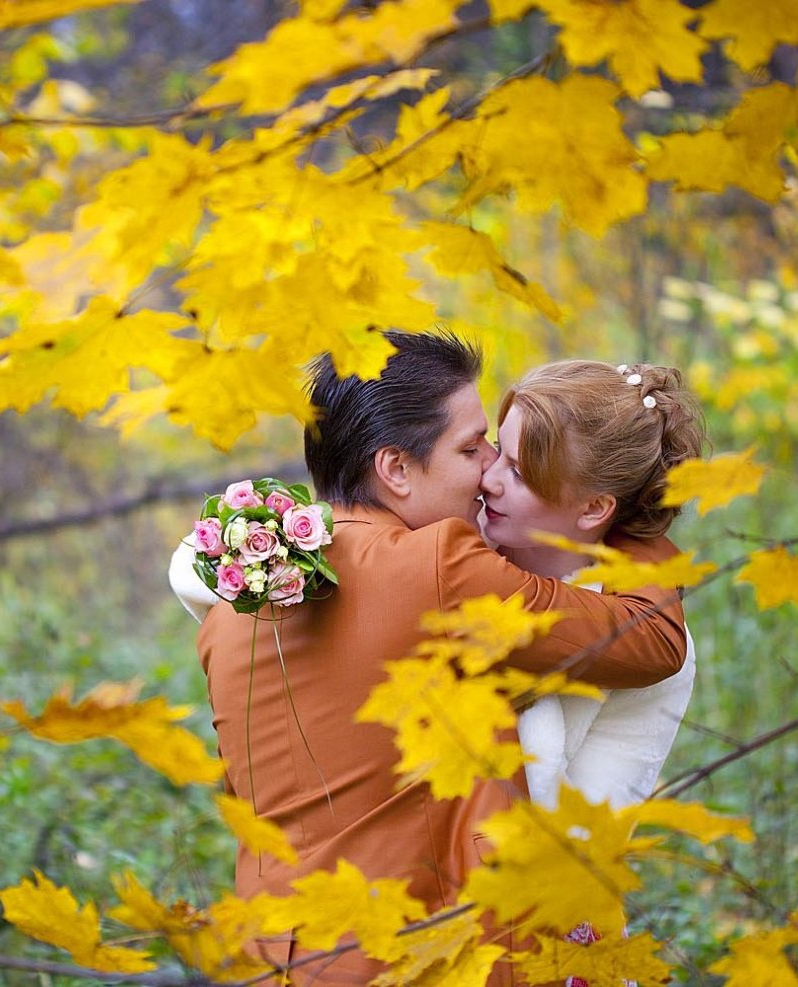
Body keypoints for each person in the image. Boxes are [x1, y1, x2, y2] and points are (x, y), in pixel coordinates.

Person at [177, 331, 690, 985]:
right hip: (414, 960)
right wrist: (632, 519)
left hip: (268, 958)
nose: (486, 472)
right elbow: (651, 640)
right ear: (395, 468)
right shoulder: (435, 569)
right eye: (471, 448)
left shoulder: (234, 606)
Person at [479, 360, 704, 811]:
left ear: (593, 508)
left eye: (519, 474)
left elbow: (589, 827)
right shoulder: (454, 532)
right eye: (495, 449)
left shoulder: (652, 649)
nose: (488, 480)